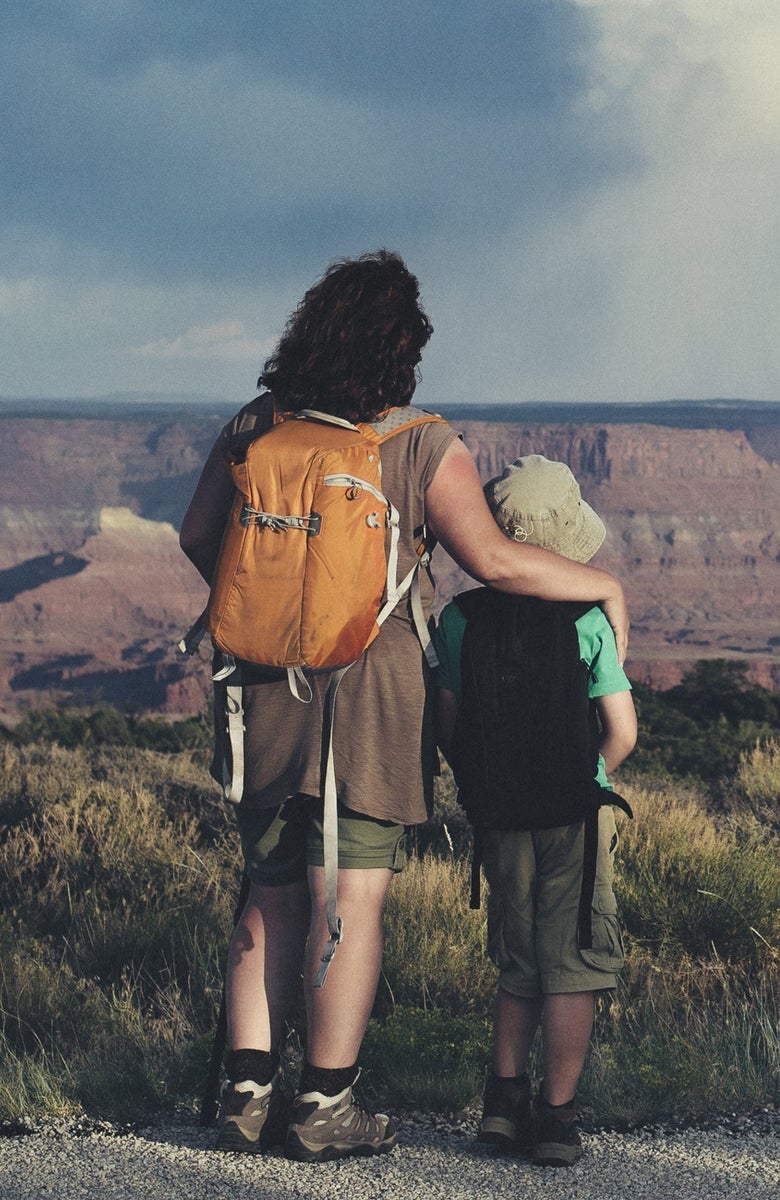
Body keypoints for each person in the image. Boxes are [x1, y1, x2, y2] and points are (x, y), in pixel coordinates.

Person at [178, 251, 629, 1162]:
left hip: (265, 691)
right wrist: (601, 584)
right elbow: (494, 562)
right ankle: (325, 1104)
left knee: (267, 895)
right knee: (351, 893)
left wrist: (270, 616)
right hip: (374, 697)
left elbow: (198, 537)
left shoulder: (256, 424)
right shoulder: (422, 442)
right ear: (401, 354)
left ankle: (246, 1096)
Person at [431, 454, 637, 1168]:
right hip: (574, 813)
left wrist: (482, 784)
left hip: (500, 814)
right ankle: (555, 1117)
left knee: (516, 962)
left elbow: (448, 722)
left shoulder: (456, 620)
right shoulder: (586, 619)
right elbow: (623, 729)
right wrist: (593, 774)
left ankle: (500, 1105)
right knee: (572, 963)